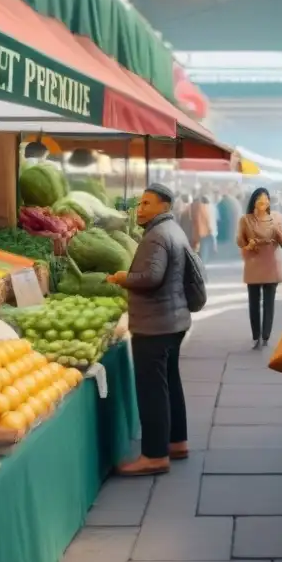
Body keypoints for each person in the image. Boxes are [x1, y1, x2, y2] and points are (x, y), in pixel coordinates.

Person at [111, 184, 193, 476]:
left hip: (155, 324)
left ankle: (155, 456)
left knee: (152, 390)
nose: (140, 208)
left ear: (164, 206)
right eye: (140, 203)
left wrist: (125, 278)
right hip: (173, 320)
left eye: (147, 203)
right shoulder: (173, 230)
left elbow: (152, 277)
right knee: (170, 382)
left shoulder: (157, 236)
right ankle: (176, 442)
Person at [237, 187, 282, 348]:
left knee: (269, 302)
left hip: (271, 263)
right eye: (259, 199)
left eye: (265, 199)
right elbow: (240, 241)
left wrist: (278, 233)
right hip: (253, 263)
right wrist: (249, 245)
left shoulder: (277, 218)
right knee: (253, 302)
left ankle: (265, 336)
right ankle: (256, 336)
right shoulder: (245, 220)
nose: (263, 202)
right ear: (254, 201)